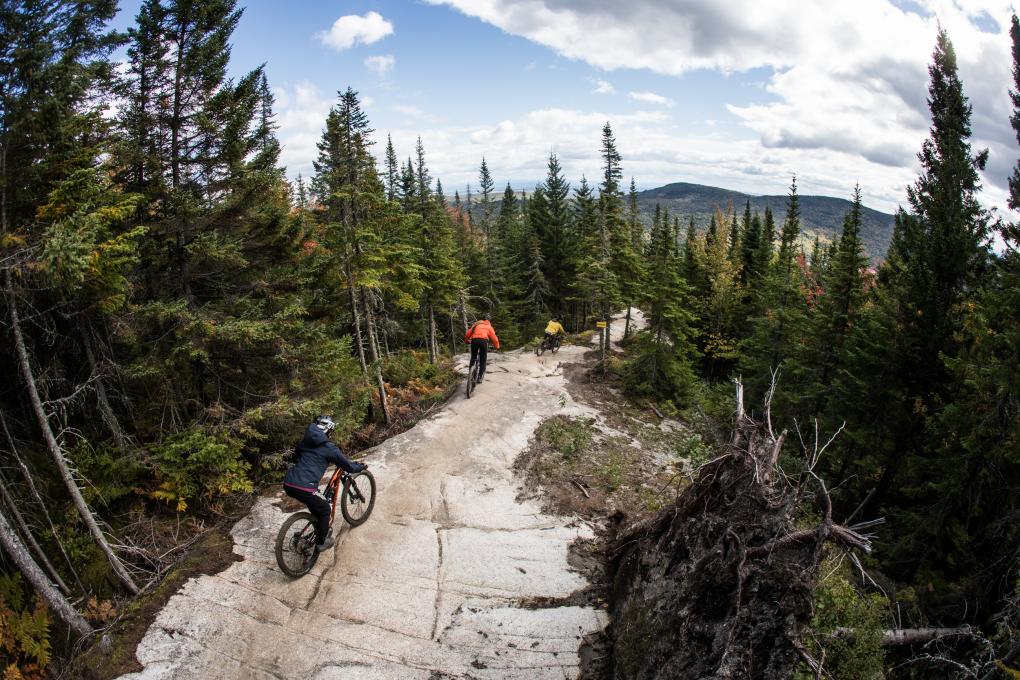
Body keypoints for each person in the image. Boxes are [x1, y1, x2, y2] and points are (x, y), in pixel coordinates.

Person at [283, 415, 365, 552]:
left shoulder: (304, 442)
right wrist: (360, 467)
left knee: (317, 506)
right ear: (328, 430)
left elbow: (297, 455)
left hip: (289, 483)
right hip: (305, 487)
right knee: (325, 508)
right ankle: (322, 542)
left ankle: (318, 525)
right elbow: (349, 467)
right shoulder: (329, 448)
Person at [464, 314, 500, 382]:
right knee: (483, 359)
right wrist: (497, 347)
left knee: (473, 357)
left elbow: (468, 334)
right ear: (489, 321)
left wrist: (466, 341)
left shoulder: (476, 325)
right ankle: (480, 377)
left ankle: (470, 374)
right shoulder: (489, 327)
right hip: (483, 341)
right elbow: (494, 338)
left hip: (474, 340)